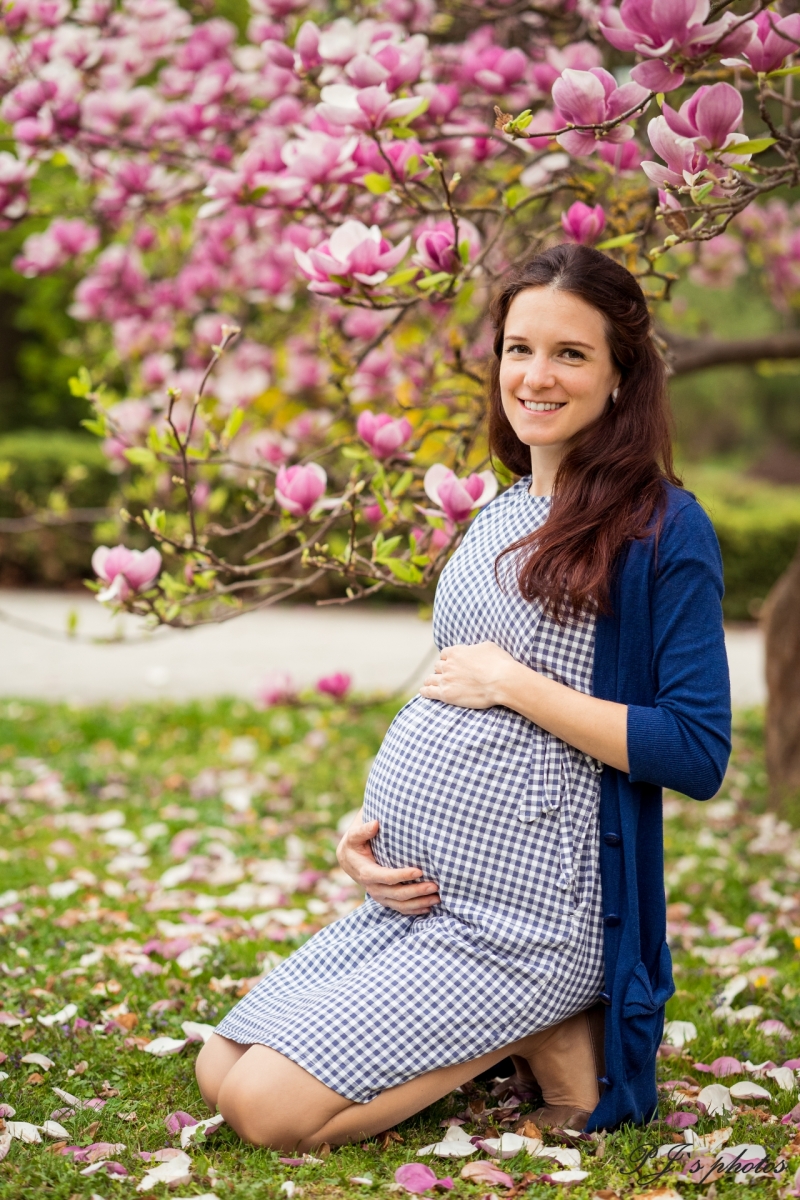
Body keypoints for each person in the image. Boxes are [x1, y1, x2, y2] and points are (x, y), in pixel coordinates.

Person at [195, 244, 731, 1149]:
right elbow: (448, 701)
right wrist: (370, 836)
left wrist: (516, 686)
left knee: (265, 1112)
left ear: (621, 374)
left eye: (570, 353)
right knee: (219, 1068)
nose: (536, 375)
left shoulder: (662, 528)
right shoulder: (501, 507)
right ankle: (526, 1037)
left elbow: (694, 748)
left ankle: (545, 1020)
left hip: (532, 922)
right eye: (519, 348)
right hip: (422, 904)